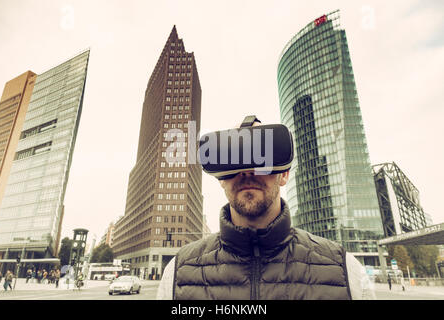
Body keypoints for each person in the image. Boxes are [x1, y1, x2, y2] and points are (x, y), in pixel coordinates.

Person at [157, 116, 376, 300]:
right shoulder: (178, 273)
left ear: (284, 175)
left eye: (262, 156)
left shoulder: (345, 272)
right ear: (221, 179)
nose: (247, 170)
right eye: (234, 158)